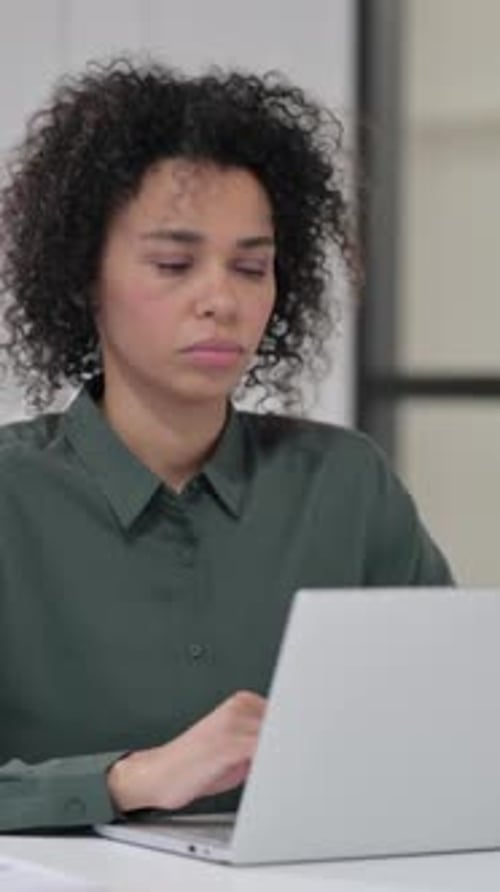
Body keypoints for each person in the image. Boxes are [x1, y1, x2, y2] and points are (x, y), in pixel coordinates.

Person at [0, 58, 453, 832]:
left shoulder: (346, 486)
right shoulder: (13, 499)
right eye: (174, 264)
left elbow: (459, 731)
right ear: (84, 278)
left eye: (251, 266)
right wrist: (130, 779)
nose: (222, 299)